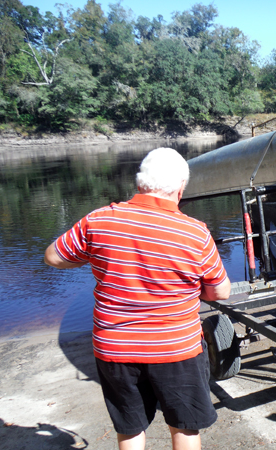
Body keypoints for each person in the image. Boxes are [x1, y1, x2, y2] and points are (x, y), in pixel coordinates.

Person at [44, 147, 231, 450]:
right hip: (176, 348)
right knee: (185, 428)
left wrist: (92, 257)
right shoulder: (195, 233)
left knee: (130, 429)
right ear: (180, 189)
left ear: (140, 183)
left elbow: (53, 256)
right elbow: (220, 291)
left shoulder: (98, 221)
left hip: (115, 349)